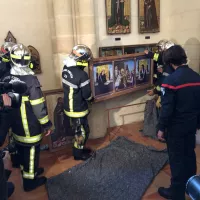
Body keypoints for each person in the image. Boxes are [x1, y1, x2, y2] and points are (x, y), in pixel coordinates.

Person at [157, 45, 200, 200]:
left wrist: (161, 128)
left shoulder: (170, 81)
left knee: (176, 160)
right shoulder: (197, 77)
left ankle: (176, 194)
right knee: (189, 156)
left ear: (170, 62)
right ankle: (192, 187)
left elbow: (166, 109)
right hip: (191, 127)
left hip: (175, 130)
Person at [8, 44, 52, 192]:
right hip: (29, 126)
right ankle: (30, 181)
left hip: (15, 124)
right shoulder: (31, 80)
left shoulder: (7, 77)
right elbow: (38, 106)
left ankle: (26, 170)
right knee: (32, 151)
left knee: (21, 149)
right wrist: (46, 123)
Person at [62, 44, 94, 161]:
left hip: (68, 107)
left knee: (78, 130)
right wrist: (91, 99)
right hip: (78, 109)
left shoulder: (66, 68)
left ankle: (80, 149)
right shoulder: (82, 75)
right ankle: (78, 154)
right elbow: (87, 94)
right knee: (82, 132)